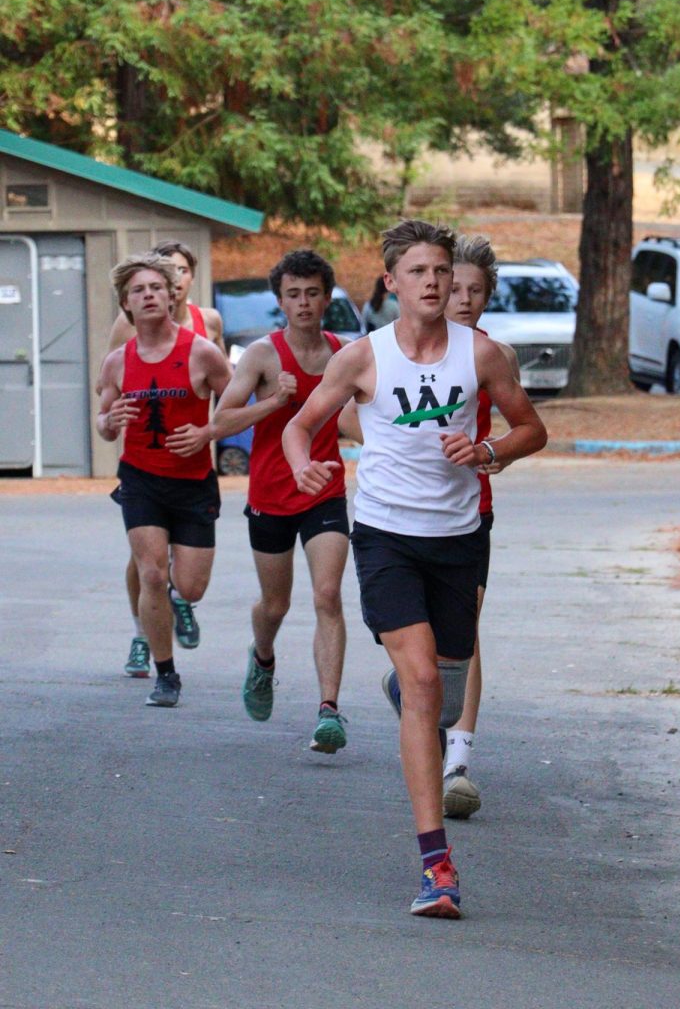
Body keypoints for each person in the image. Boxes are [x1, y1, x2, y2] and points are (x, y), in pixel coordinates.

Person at [283, 219, 547, 918]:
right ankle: (437, 867)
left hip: (458, 539)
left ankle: (417, 703)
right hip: (385, 535)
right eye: (419, 273)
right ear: (392, 283)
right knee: (425, 682)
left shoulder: (482, 354)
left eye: (441, 271)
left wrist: (489, 453)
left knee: (445, 688)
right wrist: (306, 465)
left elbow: (530, 428)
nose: (433, 283)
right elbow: (299, 424)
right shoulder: (362, 359)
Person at [212, 250, 351, 753]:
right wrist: (273, 401)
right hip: (270, 494)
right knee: (276, 604)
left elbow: (355, 421)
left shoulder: (343, 353)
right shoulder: (261, 356)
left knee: (327, 596)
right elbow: (220, 423)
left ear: (327, 297)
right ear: (280, 301)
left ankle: (329, 710)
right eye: (293, 294)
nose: (304, 302)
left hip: (324, 491)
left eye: (313, 292)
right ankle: (263, 658)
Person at [97, 253, 231, 708]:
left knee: (189, 588)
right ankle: (166, 674)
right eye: (139, 290)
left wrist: (209, 431)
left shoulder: (201, 351)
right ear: (126, 305)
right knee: (152, 572)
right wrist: (109, 420)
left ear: (172, 295)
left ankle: (179, 601)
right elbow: (103, 422)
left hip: (193, 481)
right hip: (140, 479)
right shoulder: (118, 361)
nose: (150, 295)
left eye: (157, 287)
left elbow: (232, 405)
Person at [441, 235, 520, 820]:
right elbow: (349, 416)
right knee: (419, 639)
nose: (464, 299)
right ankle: (420, 699)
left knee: (464, 628)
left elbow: (525, 431)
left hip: (471, 508)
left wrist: (489, 451)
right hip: (400, 513)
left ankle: (458, 763)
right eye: (456, 287)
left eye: (476, 290)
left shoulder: (494, 355)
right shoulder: (393, 351)